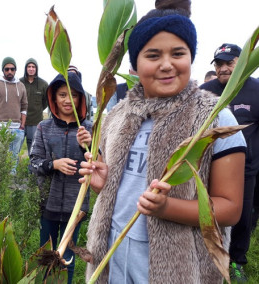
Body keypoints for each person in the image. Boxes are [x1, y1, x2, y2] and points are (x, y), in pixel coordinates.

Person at [78, 1, 247, 283]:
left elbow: (230, 208)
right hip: (112, 254)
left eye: (178, 53)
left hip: (177, 266)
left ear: (190, 57)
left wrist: (168, 208)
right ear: (135, 64)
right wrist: (104, 186)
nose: (167, 64)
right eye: (153, 55)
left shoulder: (214, 119)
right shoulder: (118, 115)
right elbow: (124, 193)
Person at [200, 43, 259, 281]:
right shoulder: (205, 92)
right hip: (208, 169)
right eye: (219, 64)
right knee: (208, 215)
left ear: (241, 63)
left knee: (242, 219)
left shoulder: (256, 90)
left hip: (245, 171)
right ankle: (208, 258)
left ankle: (236, 262)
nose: (223, 68)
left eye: (229, 63)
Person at [29, 72, 92, 284]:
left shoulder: (89, 129)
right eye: (62, 95)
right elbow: (34, 162)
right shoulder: (44, 128)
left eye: (73, 95)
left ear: (80, 99)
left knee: (67, 257)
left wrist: (90, 145)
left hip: (76, 206)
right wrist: (53, 164)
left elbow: (101, 165)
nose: (67, 100)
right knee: (46, 254)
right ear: (53, 98)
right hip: (48, 203)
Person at [0, 57, 28, 173]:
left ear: (15, 70)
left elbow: (24, 107)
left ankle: (11, 185)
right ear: (3, 70)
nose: (10, 72)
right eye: (7, 69)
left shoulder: (21, 86)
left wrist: (22, 126)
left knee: (13, 159)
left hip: (17, 128)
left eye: (12, 69)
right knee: (0, 159)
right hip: (1, 127)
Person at [19, 58, 48, 155]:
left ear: (36, 69)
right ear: (25, 68)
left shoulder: (43, 84)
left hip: (35, 121)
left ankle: (32, 168)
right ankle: (12, 168)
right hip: (19, 121)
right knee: (16, 144)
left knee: (33, 146)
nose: (31, 69)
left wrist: (38, 109)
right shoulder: (19, 82)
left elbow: (46, 102)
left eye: (33, 67)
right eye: (29, 67)